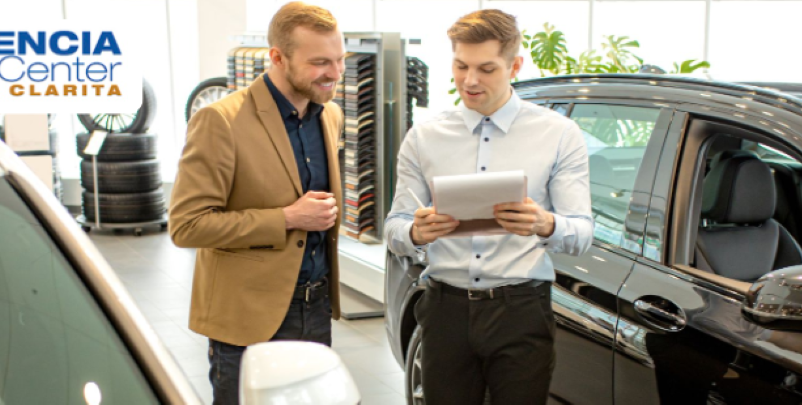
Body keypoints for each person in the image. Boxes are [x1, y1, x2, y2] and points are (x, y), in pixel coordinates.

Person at [383, 9, 594, 405]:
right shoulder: (424, 137)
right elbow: (393, 228)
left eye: (486, 68)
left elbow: (581, 234)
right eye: (460, 66)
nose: (470, 80)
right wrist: (414, 232)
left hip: (521, 311)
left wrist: (546, 224)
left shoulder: (558, 134)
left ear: (515, 65)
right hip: (445, 310)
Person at [167, 2, 346, 404]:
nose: (334, 73)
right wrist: (286, 218)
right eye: (320, 62)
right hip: (248, 318)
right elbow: (187, 225)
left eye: (339, 59)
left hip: (314, 310)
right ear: (277, 58)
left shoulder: (329, 114)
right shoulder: (221, 121)